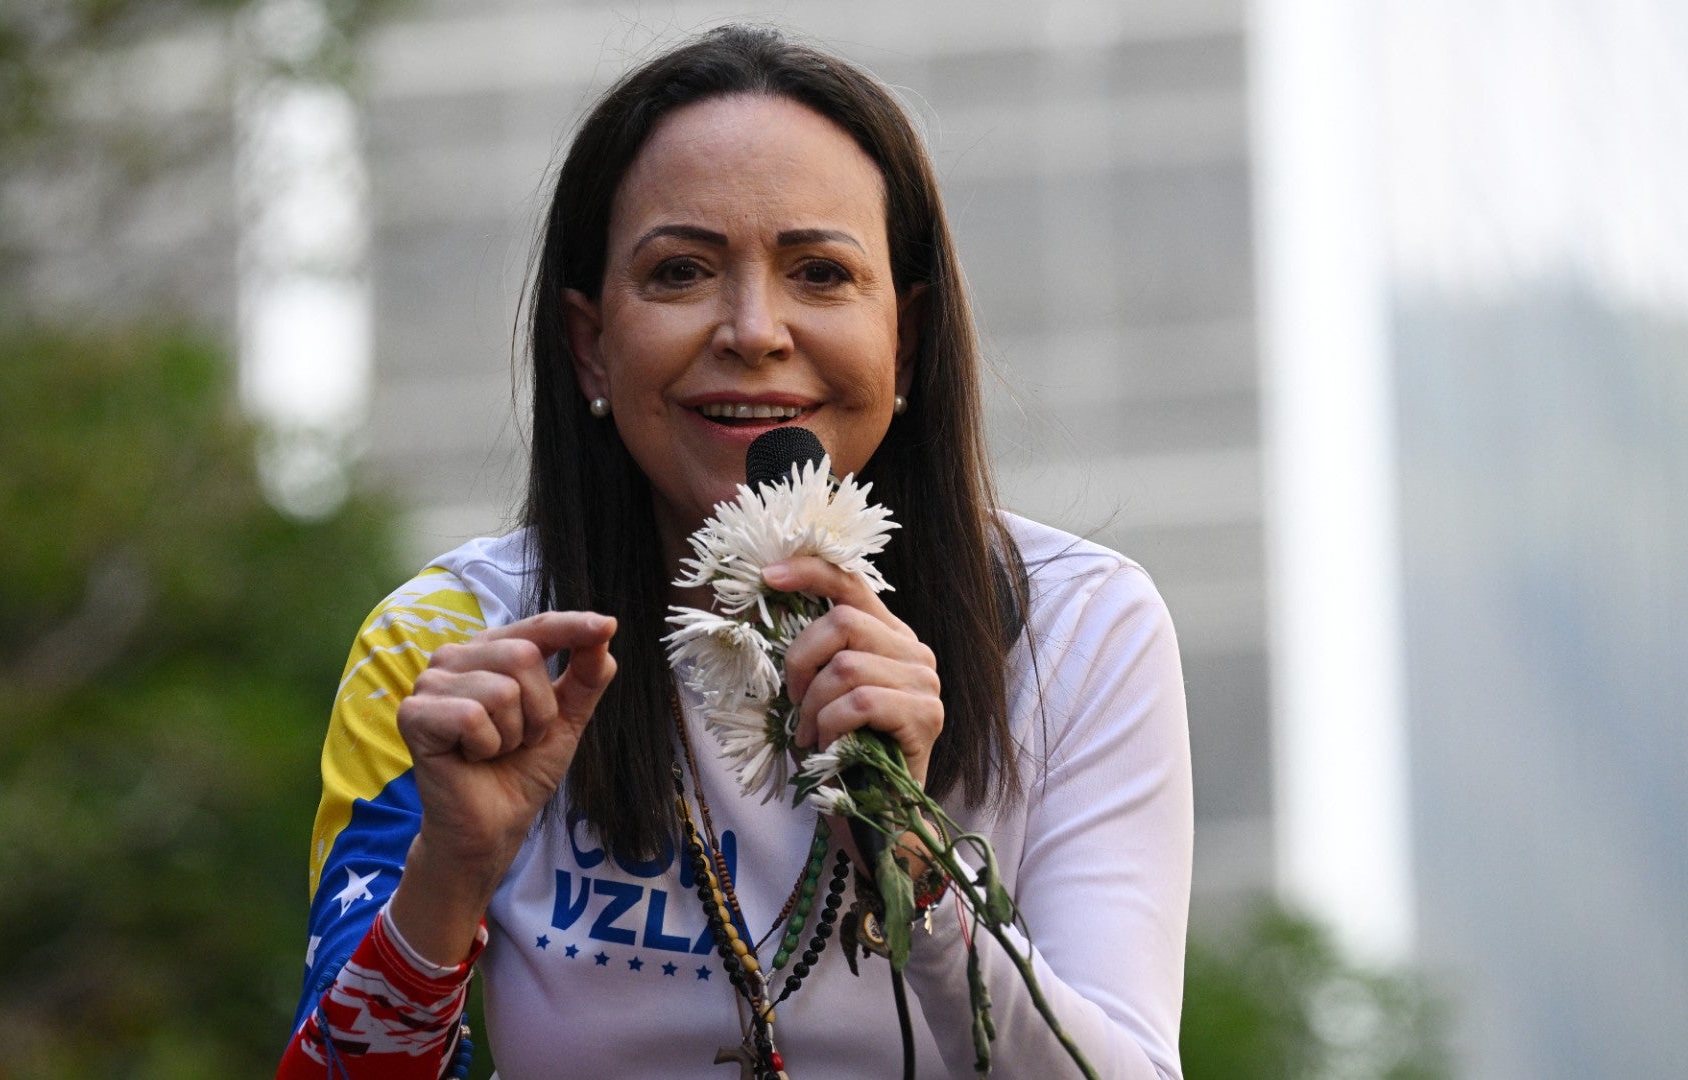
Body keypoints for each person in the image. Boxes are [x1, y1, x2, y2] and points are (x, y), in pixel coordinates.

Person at [278, 24, 1191, 1080]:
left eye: (819, 271)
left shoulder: (1080, 628)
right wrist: (452, 870)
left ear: (908, 338)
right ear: (591, 345)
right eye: (680, 272)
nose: (753, 330)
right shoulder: (449, 649)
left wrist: (917, 871)